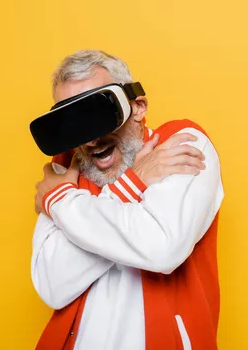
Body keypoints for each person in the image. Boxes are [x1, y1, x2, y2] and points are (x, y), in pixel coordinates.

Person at [30, 49, 224, 349]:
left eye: (97, 116)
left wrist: (63, 203)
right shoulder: (64, 172)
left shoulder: (181, 142)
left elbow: (161, 248)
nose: (91, 140)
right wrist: (130, 186)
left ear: (138, 107)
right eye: (75, 124)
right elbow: (54, 285)